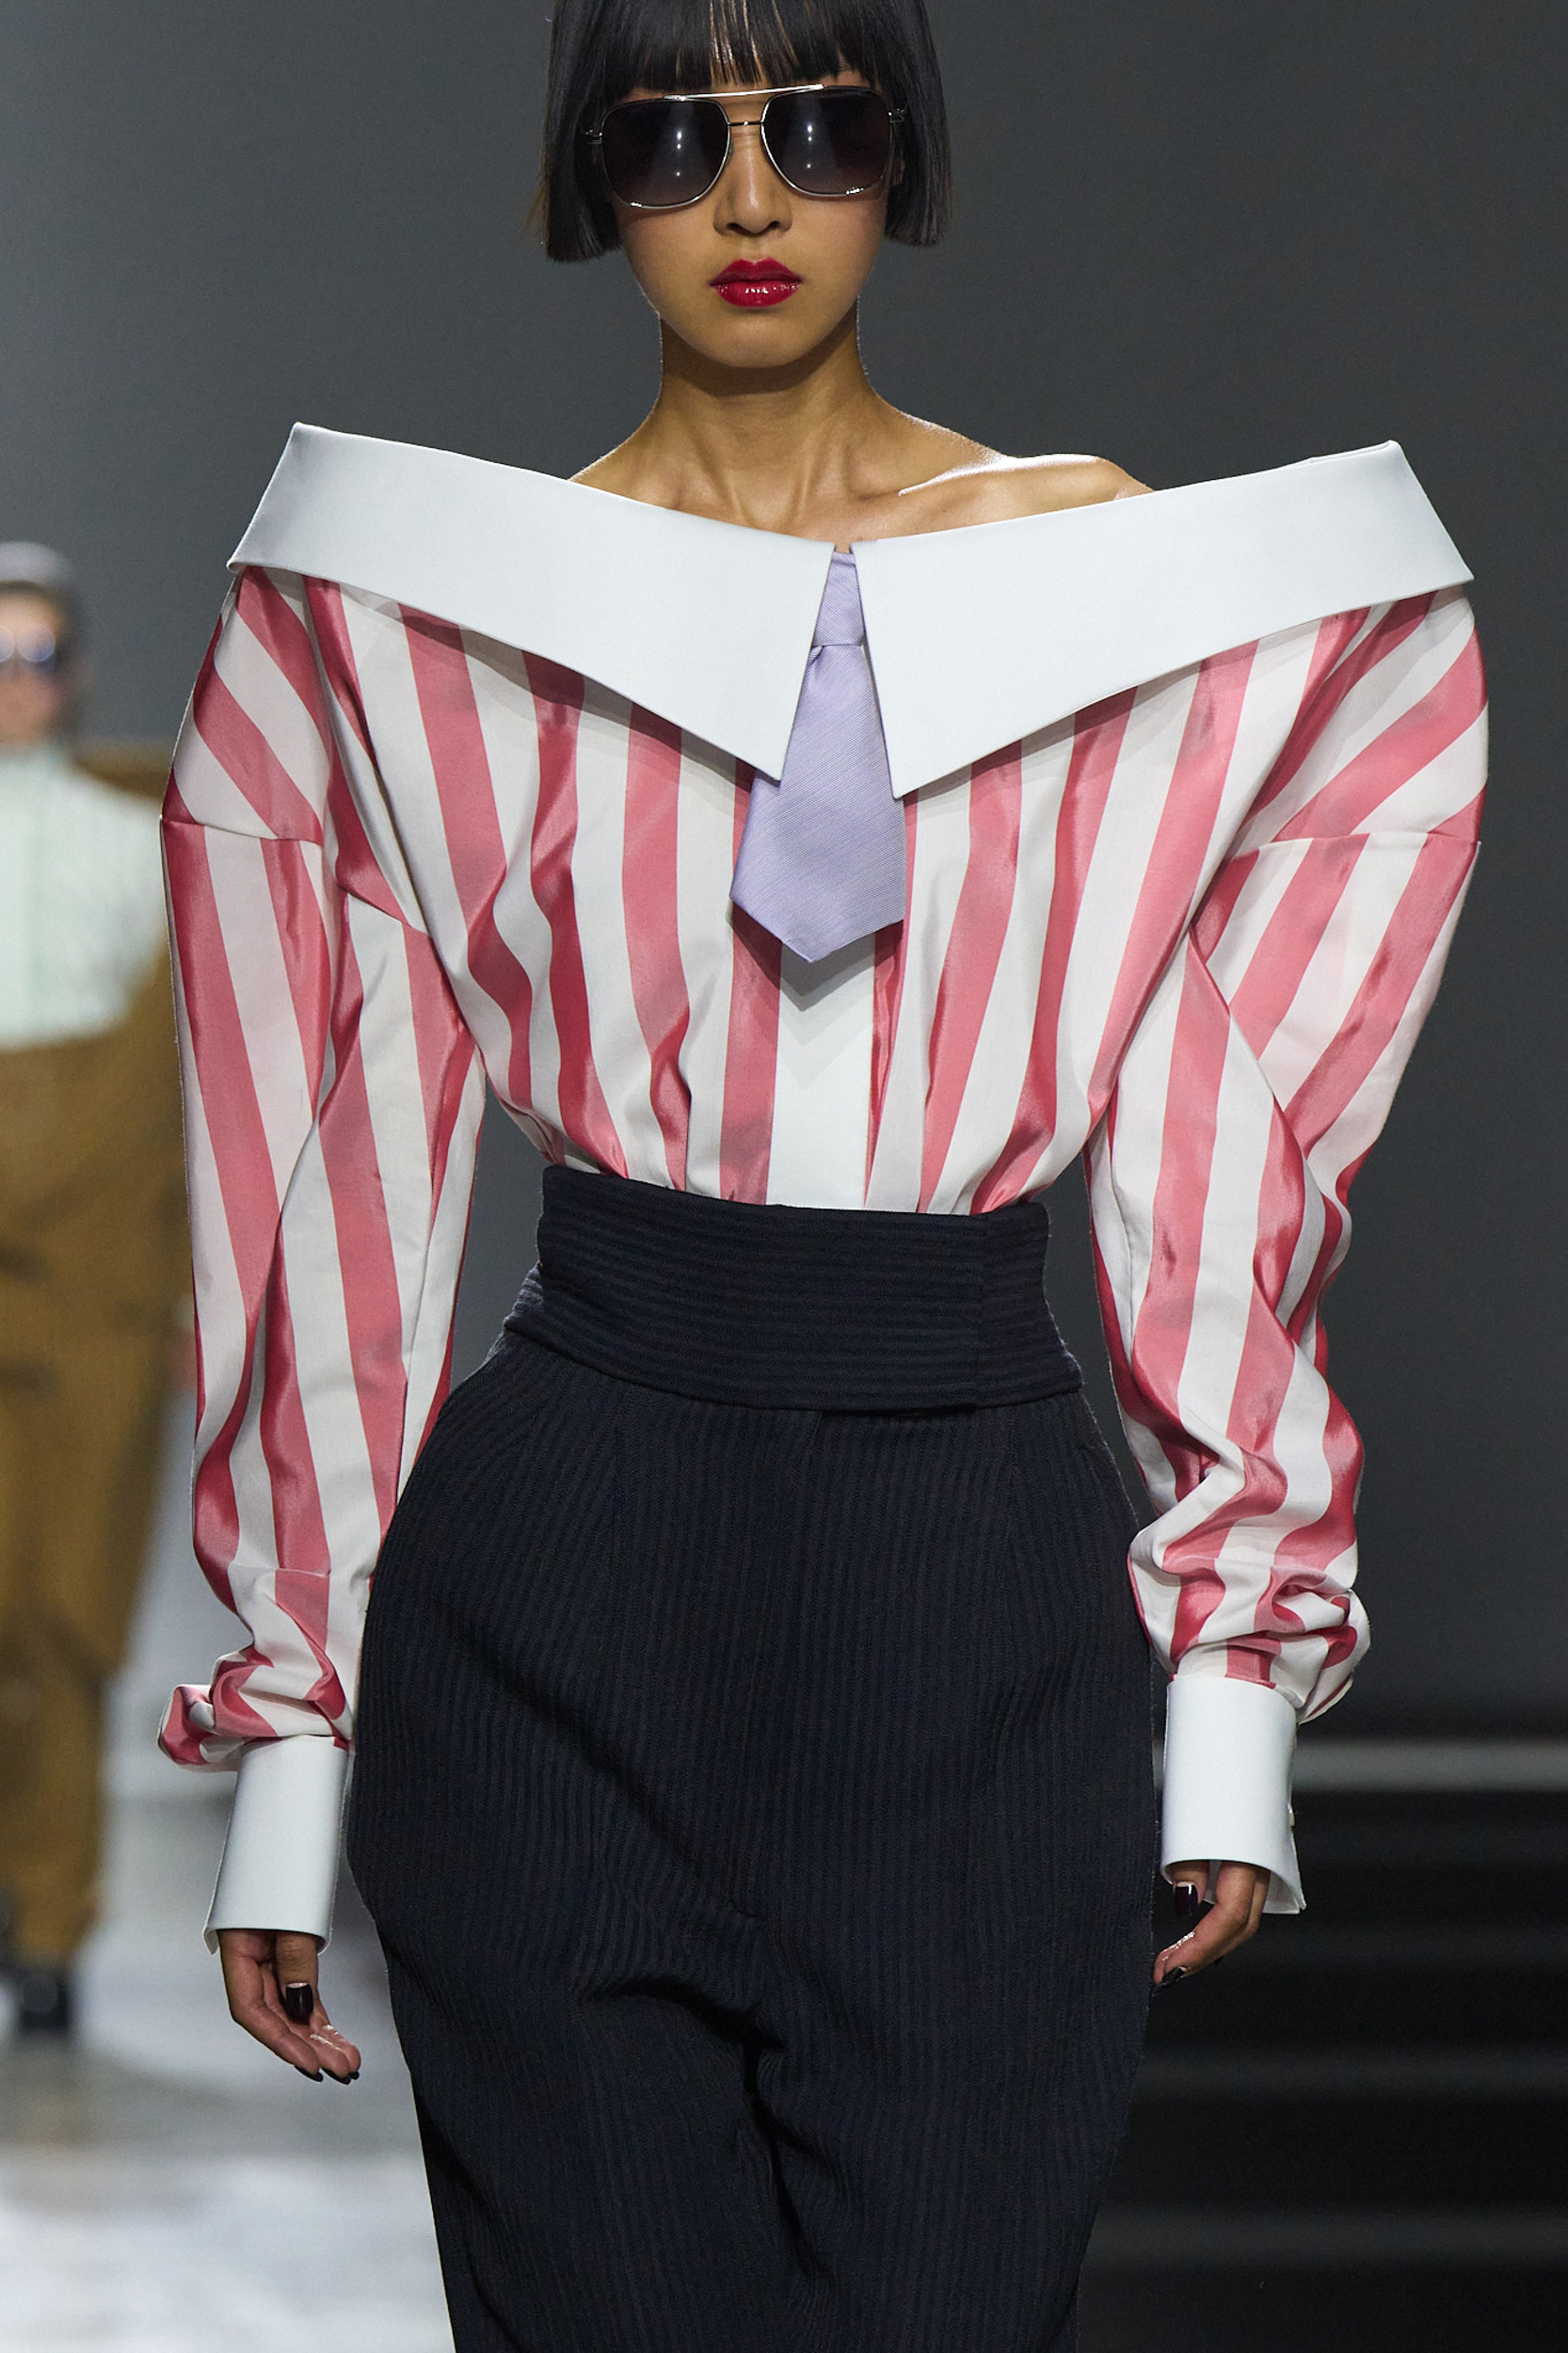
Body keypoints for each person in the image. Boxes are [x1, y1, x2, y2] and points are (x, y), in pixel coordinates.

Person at [159, 1, 1487, 2344]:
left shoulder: (1129, 590)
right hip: (558, 1581)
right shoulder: (431, 620)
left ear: (906, 159)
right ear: (587, 181)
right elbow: (322, 1174)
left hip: (972, 1590)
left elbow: (1235, 1152)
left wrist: (1231, 1689)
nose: (751, 196)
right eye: (670, 136)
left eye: (819, 126)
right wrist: (289, 1736)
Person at [0, 544, 187, 2037]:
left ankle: (53, 1922)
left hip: (93, 1287)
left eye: (37, 655)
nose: (16, 684)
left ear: (76, 675)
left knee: (69, 1616)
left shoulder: (146, 849)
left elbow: (163, 1108)